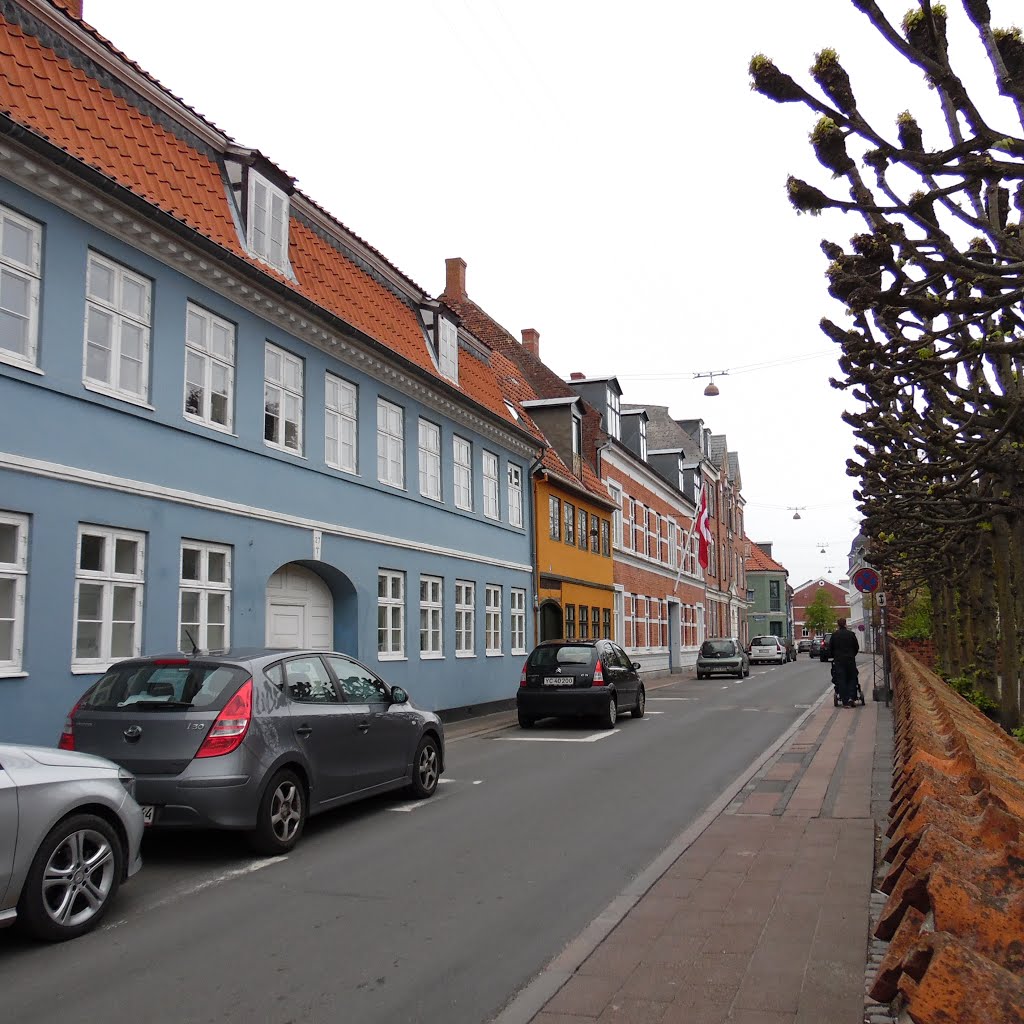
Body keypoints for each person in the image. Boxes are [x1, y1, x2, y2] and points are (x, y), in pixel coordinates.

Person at [829, 617, 860, 707]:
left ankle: (845, 700)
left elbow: (831, 648)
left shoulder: (834, 635)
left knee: (841, 679)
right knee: (852, 678)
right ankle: (851, 697)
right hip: (850, 659)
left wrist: (834, 656)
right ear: (845, 623)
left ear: (838, 625)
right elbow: (856, 647)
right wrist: (852, 655)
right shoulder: (851, 634)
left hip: (839, 661)